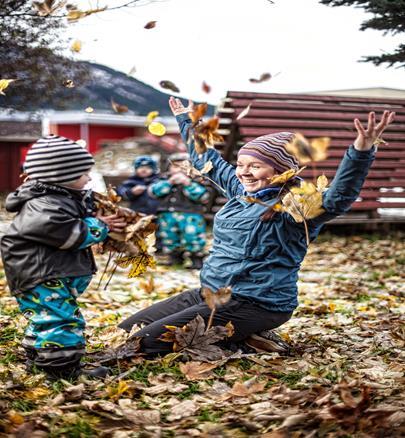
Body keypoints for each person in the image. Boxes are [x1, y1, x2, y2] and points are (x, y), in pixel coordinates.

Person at [118, 97, 395, 356]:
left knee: (139, 343)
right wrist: (186, 121)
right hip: (212, 294)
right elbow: (208, 161)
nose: (243, 172)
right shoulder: (242, 192)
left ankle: (244, 334)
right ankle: (247, 339)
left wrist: (361, 151)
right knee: (125, 330)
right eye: (241, 164)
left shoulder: (294, 207)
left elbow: (337, 198)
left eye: (255, 166)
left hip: (256, 303)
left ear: (279, 170)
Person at [0, 134, 126, 379]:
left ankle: (40, 356)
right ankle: (62, 369)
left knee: (47, 317)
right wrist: (99, 226)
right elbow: (67, 234)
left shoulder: (59, 197)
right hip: (42, 274)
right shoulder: (45, 204)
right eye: (83, 174)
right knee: (62, 320)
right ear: (61, 176)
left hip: (47, 272)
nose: (89, 177)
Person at [149, 152, 210, 269]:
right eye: (175, 166)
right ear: (168, 168)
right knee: (169, 237)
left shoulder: (196, 181)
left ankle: (196, 259)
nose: (179, 170)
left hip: (190, 215)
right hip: (167, 215)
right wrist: (169, 182)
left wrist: (188, 183)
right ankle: (175, 257)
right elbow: (154, 192)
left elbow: (202, 196)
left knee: (193, 237)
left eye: (184, 167)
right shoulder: (163, 180)